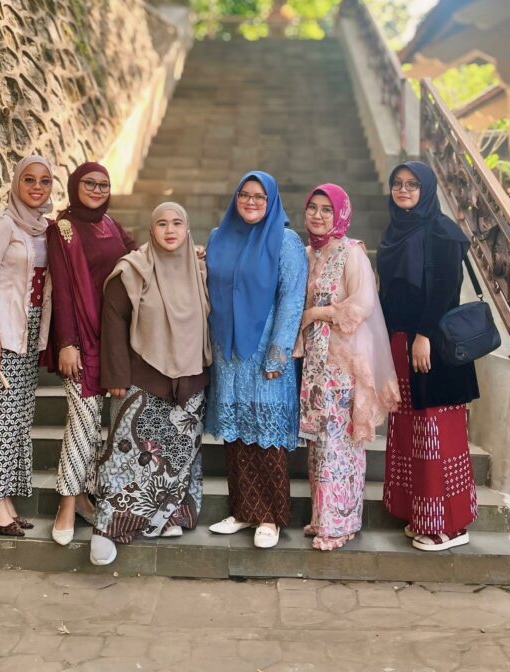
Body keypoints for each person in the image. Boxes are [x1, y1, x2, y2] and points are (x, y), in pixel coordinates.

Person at [90, 202, 211, 566]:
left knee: (176, 458)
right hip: (142, 378)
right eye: (162, 224)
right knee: (127, 458)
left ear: (187, 229)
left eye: (177, 223)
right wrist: (115, 376)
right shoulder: (132, 269)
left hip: (190, 380)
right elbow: (113, 321)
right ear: (151, 229)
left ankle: (168, 517)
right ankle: (109, 527)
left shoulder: (199, 269)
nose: (170, 230)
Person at [377, 161, 479, 552]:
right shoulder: (394, 231)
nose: (403, 190)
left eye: (412, 184)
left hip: (432, 347)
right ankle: (421, 514)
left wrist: (423, 335)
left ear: (427, 189)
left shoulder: (442, 231)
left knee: (437, 432)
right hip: (400, 343)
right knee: (410, 431)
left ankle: (451, 525)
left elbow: (445, 288)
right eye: (397, 184)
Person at [293, 183, 400, 551]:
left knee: (339, 444)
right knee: (320, 444)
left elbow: (363, 303)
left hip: (342, 362)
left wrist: (316, 313)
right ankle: (322, 517)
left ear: (340, 214)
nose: (318, 215)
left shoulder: (351, 252)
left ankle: (340, 522)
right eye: (313, 207)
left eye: (327, 209)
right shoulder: (307, 252)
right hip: (314, 364)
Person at [205, 171, 307, 549]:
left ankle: (270, 517)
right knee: (237, 434)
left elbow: (292, 299)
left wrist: (279, 353)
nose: (250, 201)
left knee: (267, 434)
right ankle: (244, 510)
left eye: (259, 196)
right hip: (228, 352)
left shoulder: (285, 241)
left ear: (272, 201)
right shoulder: (219, 237)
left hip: (266, 353)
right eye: (244, 194)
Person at [44, 162, 138, 545]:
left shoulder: (111, 225)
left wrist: (185, 254)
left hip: (112, 337)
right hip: (80, 338)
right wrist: (67, 342)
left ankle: (84, 496)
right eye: (90, 183)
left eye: (104, 184)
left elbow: (138, 256)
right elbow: (63, 289)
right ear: (74, 185)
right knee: (82, 421)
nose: (98, 190)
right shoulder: (63, 229)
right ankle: (66, 504)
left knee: (99, 423)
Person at [0, 154, 54, 536]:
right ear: (16, 183)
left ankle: (3, 499)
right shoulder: (2, 222)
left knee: (17, 418)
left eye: (44, 180)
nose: (37, 187)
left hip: (28, 330)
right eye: (29, 179)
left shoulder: (45, 228)